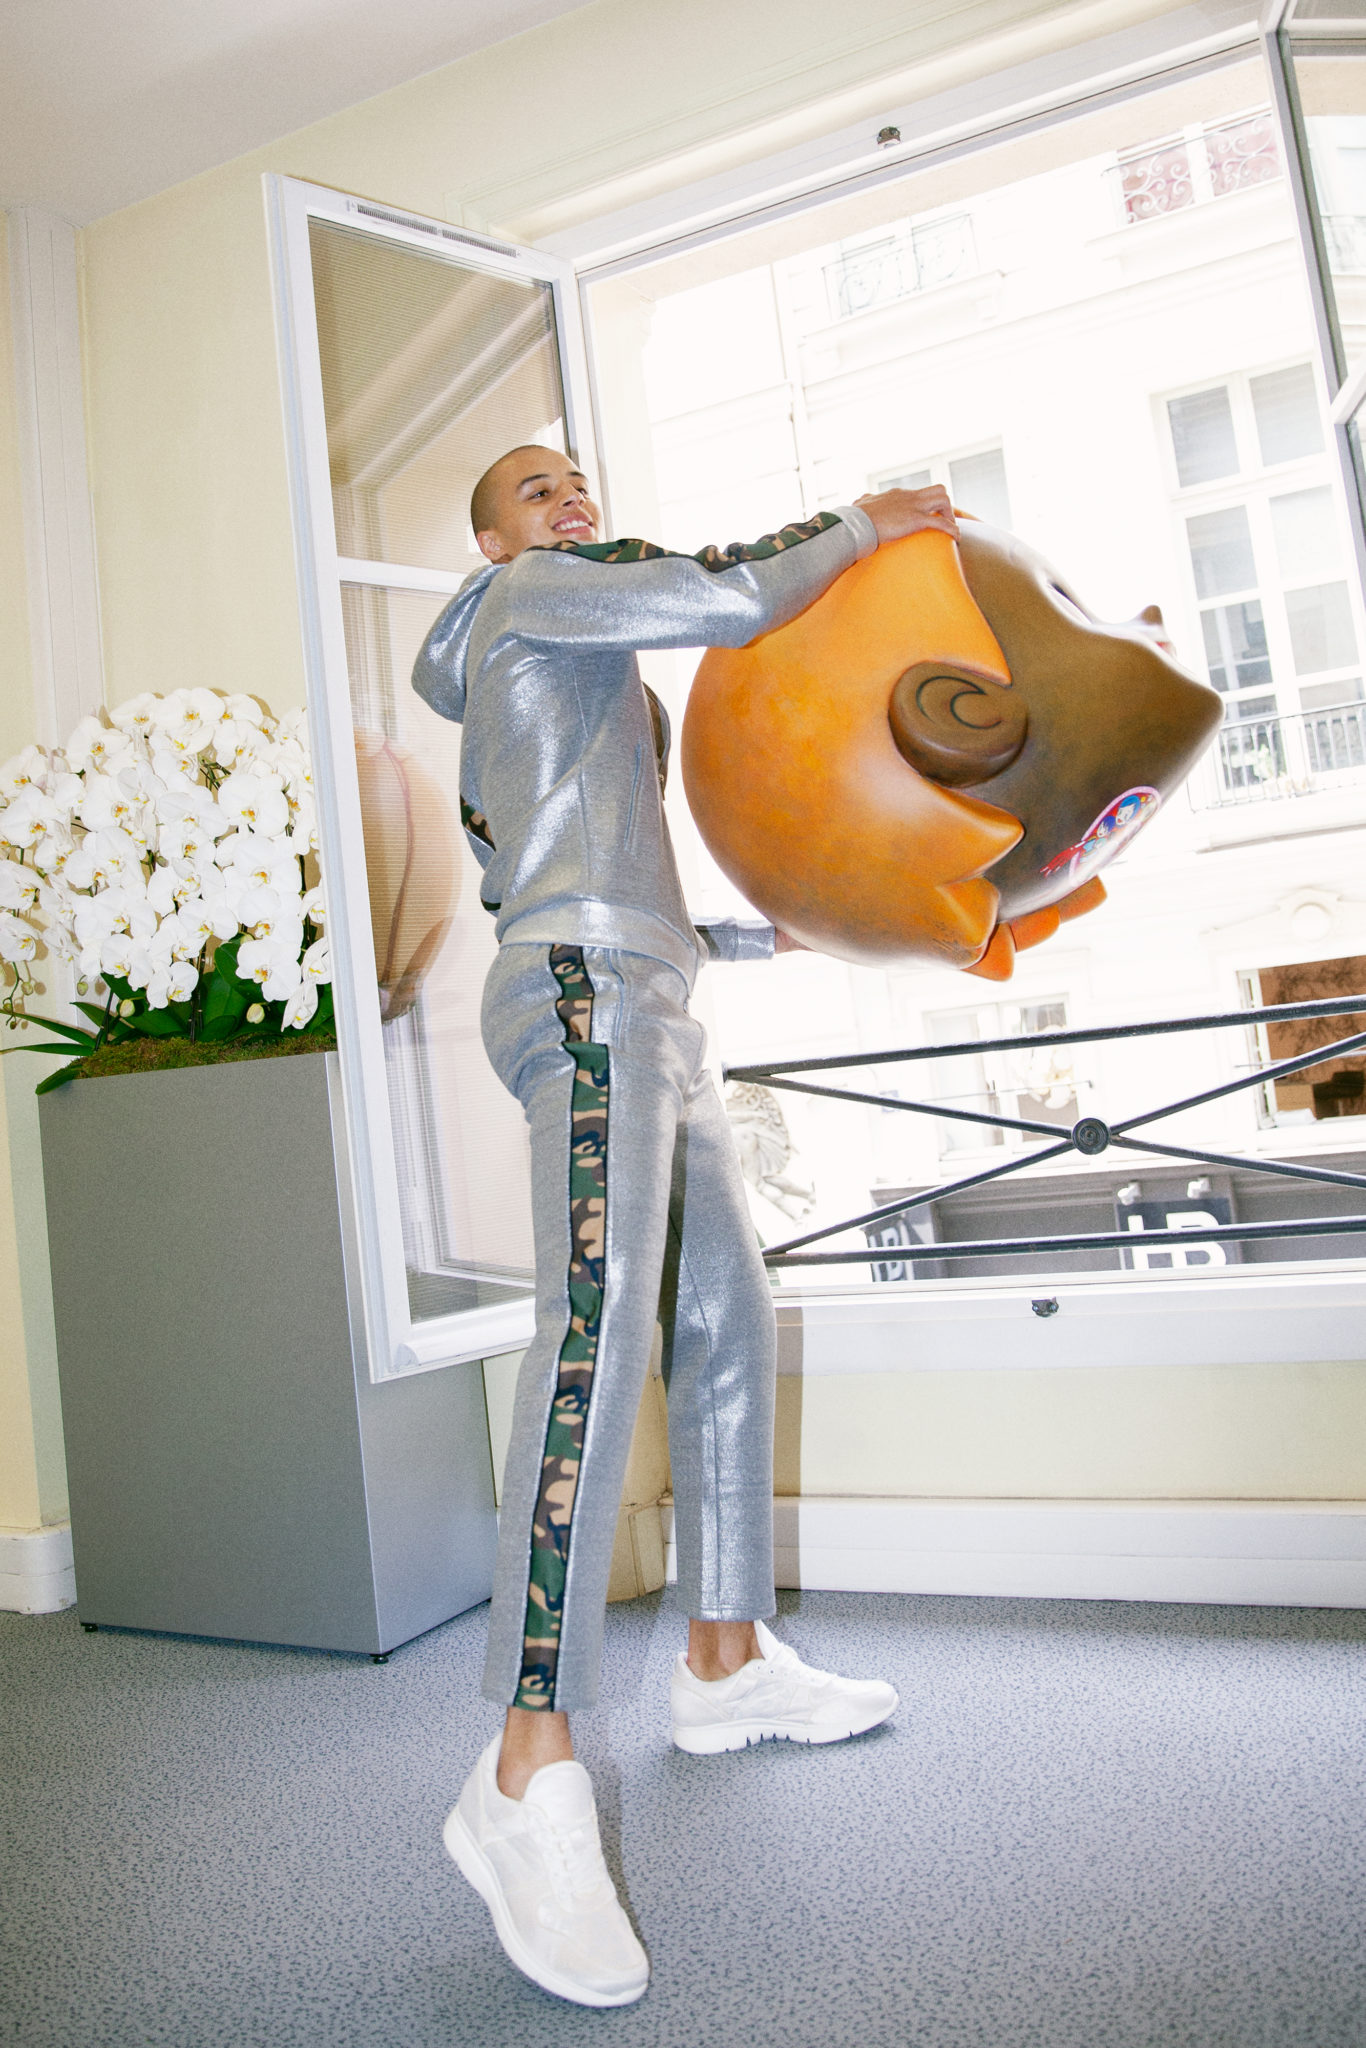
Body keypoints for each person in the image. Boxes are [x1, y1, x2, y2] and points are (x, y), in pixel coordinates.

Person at [412, 447, 958, 2008]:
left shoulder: (567, 665)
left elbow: (584, 854)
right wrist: (868, 522)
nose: (567, 500)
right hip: (589, 992)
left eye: (575, 481)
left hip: (641, 987)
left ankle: (721, 1660)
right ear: (492, 538)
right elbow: (727, 593)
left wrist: (747, 934)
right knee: (592, 1337)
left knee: (723, 1316)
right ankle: (523, 1767)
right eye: (533, 489)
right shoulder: (540, 594)